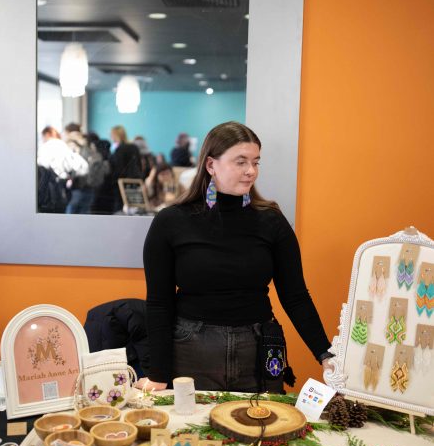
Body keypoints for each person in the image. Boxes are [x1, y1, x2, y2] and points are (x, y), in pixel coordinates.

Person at [138, 121, 333, 392]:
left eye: (256, 162)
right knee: (194, 431)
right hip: (192, 348)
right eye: (240, 162)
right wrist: (157, 374)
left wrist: (325, 353)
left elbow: (296, 296)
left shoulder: (271, 220)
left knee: (267, 430)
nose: (251, 171)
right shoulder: (171, 222)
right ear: (210, 165)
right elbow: (159, 303)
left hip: (258, 347)